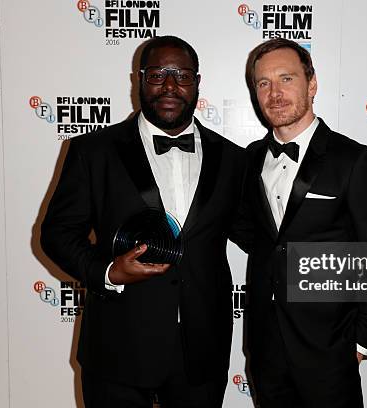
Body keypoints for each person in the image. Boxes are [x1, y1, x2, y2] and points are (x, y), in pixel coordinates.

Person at [40, 36, 247, 408]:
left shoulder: (233, 159)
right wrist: (107, 272)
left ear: (198, 82)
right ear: (138, 79)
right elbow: (56, 234)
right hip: (117, 347)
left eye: (182, 75)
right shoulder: (94, 151)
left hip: (201, 351)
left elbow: (262, 236)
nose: (170, 86)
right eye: (157, 74)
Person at [242, 38, 367, 407]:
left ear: (312, 85)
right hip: (265, 350)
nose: (274, 93)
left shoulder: (356, 161)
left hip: (330, 350)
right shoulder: (249, 160)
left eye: (286, 78)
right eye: (263, 83)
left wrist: (362, 342)